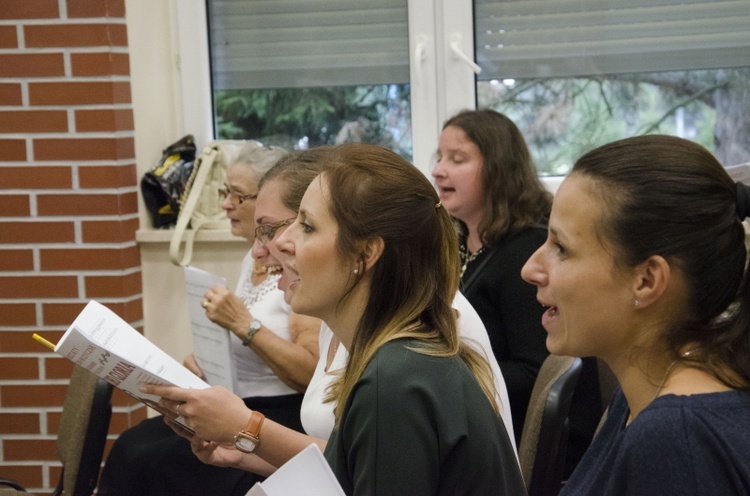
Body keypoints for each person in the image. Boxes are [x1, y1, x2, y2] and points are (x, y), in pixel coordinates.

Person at [144, 144, 525, 495]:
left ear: (365, 254)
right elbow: (352, 469)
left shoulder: (394, 378)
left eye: (306, 226)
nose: (282, 243)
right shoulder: (395, 352)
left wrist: (247, 428)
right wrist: (242, 450)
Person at [521, 135, 750, 495]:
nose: (530, 269)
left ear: (646, 280)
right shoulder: (642, 394)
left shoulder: (675, 438)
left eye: (561, 248)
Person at [98, 144, 321, 496]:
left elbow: (310, 373)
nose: (226, 204)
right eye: (224, 192)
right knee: (132, 444)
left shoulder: (303, 279)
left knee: (146, 460)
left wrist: (243, 325)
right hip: (238, 399)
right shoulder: (255, 259)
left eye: (237, 195)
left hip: (277, 411)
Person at [433, 109, 603, 474]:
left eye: (457, 159)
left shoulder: (524, 253)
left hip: (531, 449)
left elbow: (534, 373)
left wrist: (441, 380)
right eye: (439, 157)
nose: (438, 170)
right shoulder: (469, 248)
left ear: (498, 168)